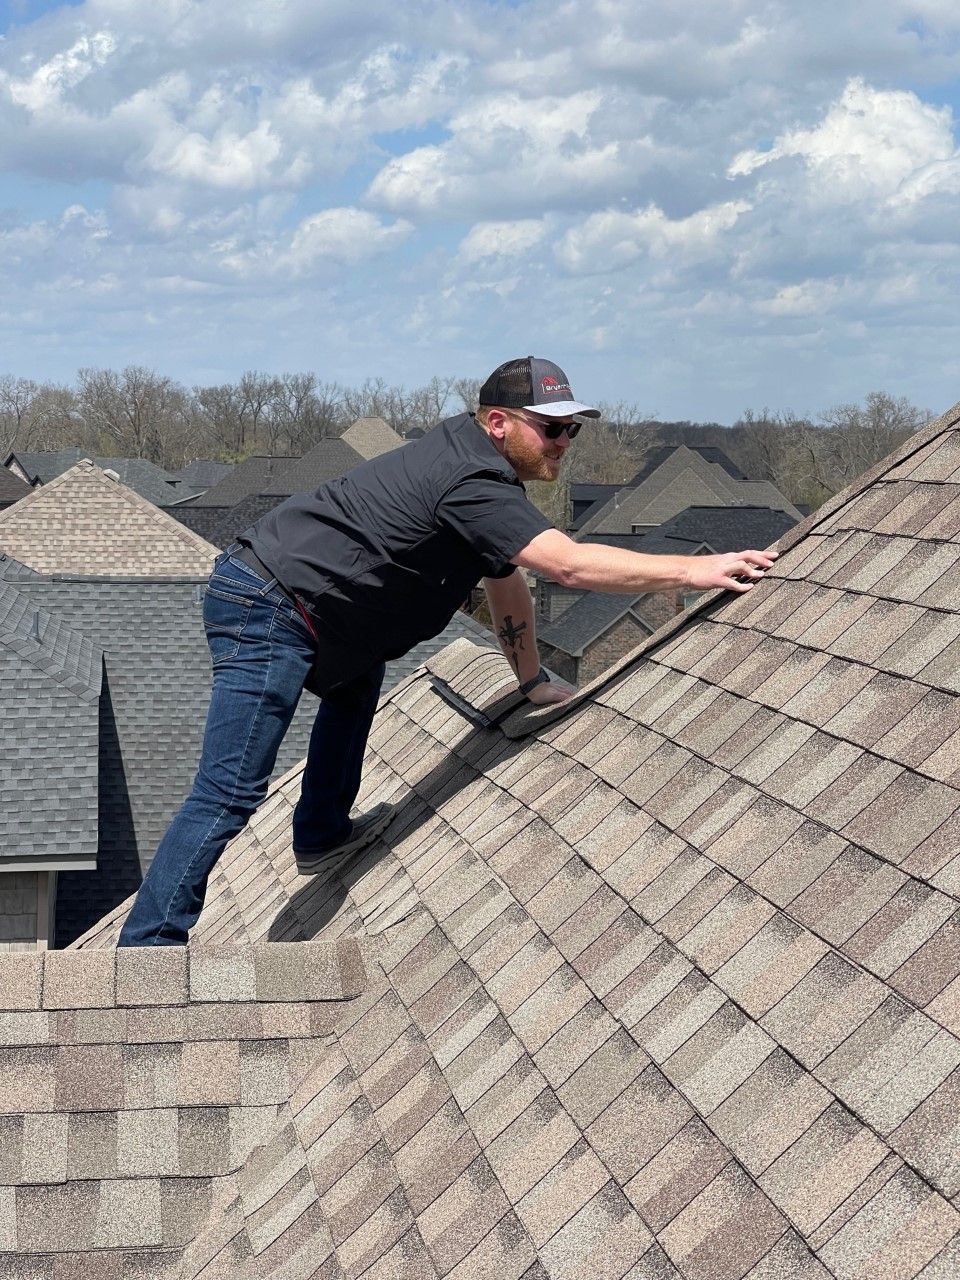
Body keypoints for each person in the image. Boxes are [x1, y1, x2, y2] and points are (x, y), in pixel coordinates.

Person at [118, 357, 776, 946]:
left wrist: (532, 681)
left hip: (311, 612)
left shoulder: (477, 475)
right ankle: (146, 953)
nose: (565, 442)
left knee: (358, 674)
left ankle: (320, 831)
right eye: (552, 428)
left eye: (573, 429)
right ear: (499, 423)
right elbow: (566, 567)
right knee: (229, 788)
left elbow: (507, 580)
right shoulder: (472, 480)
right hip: (270, 605)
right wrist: (694, 571)